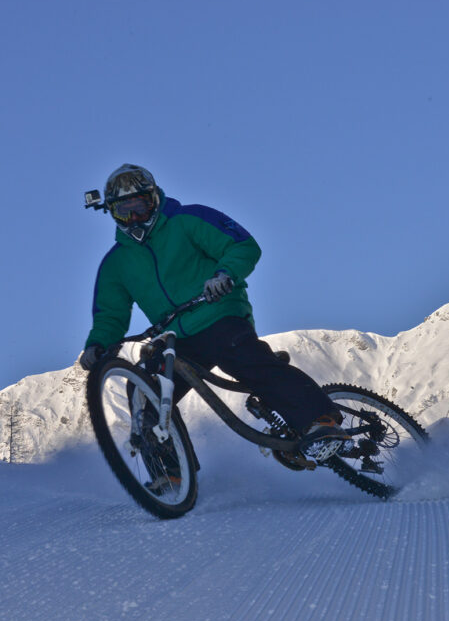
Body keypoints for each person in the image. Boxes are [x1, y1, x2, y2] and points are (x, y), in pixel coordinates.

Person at [80, 163, 346, 472]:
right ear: (112, 213)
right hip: (176, 339)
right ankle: (170, 475)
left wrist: (224, 275)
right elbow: (110, 315)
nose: (135, 218)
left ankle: (320, 420)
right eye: (124, 212)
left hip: (218, 312)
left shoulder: (187, 220)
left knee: (243, 357)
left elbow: (242, 246)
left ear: (153, 199)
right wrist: (98, 345)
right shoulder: (116, 263)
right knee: (144, 390)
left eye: (140, 207)